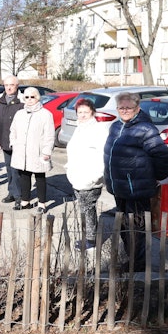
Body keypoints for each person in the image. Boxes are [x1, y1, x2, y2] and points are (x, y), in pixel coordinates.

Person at [103, 92, 168, 270]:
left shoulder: (145, 129)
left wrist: (158, 177)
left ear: (137, 109)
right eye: (121, 107)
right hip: (120, 188)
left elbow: (163, 156)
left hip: (137, 189)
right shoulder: (115, 126)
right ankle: (132, 259)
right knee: (125, 229)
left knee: (136, 229)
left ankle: (138, 264)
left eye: (128, 107)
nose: (124, 110)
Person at [66, 98, 109, 249]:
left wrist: (96, 176)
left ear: (93, 112)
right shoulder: (80, 127)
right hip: (78, 175)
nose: (82, 115)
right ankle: (88, 236)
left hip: (90, 176)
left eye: (86, 112)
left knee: (87, 208)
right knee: (84, 208)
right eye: (80, 112)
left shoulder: (98, 129)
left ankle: (91, 240)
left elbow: (103, 154)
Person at [8, 87, 56, 211]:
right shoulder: (20, 113)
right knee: (24, 177)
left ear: (37, 98)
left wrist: (47, 151)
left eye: (32, 97)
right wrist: (14, 143)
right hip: (22, 152)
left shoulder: (45, 114)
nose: (29, 99)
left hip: (38, 152)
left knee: (40, 178)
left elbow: (50, 135)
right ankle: (25, 201)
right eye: (27, 97)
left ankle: (42, 203)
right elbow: (13, 130)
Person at [0, 76, 26, 202]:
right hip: (4, 140)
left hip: (19, 142)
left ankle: (19, 195)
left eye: (11, 85)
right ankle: (11, 193)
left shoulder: (23, 100)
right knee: (9, 169)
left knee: (18, 170)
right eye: (6, 85)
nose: (9, 87)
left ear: (17, 86)